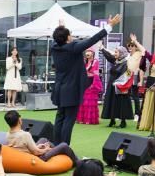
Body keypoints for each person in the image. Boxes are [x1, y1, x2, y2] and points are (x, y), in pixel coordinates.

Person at [51, 14, 121, 144]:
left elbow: (58, 38)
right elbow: (93, 39)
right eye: (70, 34)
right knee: (68, 120)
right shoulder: (73, 48)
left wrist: (61, 27)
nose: (72, 36)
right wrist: (109, 26)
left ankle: (56, 145)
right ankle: (64, 147)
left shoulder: (54, 47)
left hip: (59, 89)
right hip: (71, 90)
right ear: (67, 38)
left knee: (60, 118)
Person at [5, 110, 77, 164]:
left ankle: (57, 150)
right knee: (64, 145)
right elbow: (36, 152)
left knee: (43, 140)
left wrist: (38, 146)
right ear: (19, 120)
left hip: (25, 154)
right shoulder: (25, 134)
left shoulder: (8, 134)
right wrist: (46, 149)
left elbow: (21, 148)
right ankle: (78, 162)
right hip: (34, 158)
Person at [100, 45, 134, 129]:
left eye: (116, 52)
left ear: (121, 53)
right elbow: (109, 57)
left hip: (121, 86)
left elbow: (129, 74)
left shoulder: (126, 63)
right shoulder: (116, 61)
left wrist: (122, 84)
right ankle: (112, 120)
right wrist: (102, 49)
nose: (115, 54)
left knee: (121, 103)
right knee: (111, 102)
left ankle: (123, 121)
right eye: (115, 52)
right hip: (112, 85)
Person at [76, 50, 102, 125]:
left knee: (90, 102)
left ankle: (89, 119)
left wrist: (94, 84)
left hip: (91, 82)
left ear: (92, 53)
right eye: (86, 51)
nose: (87, 53)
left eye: (89, 51)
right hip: (84, 82)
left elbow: (95, 74)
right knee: (83, 101)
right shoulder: (85, 62)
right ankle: (81, 119)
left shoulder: (95, 62)